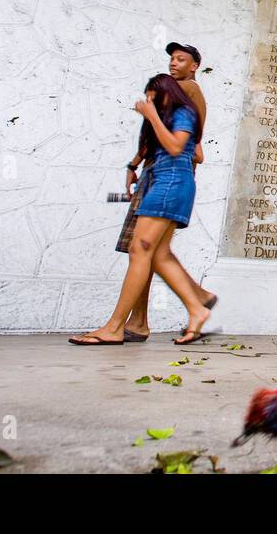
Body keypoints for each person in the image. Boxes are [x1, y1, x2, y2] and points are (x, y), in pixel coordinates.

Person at [70, 73, 213, 346]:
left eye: (152, 98)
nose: (148, 103)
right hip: (162, 181)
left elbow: (175, 147)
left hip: (171, 183)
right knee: (157, 254)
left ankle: (114, 327)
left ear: (166, 94)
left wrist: (152, 116)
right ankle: (198, 307)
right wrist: (133, 167)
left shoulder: (184, 112)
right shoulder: (170, 117)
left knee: (140, 249)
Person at [115, 43, 216, 341]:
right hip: (155, 171)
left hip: (166, 176)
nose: (174, 63)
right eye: (171, 58)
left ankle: (193, 300)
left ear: (194, 65)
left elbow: (184, 140)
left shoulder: (187, 92)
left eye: (181, 59)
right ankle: (143, 319)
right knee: (147, 251)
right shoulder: (174, 93)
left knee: (144, 249)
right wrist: (134, 162)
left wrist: (185, 153)